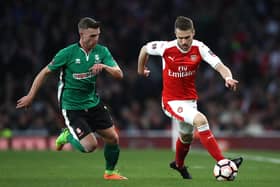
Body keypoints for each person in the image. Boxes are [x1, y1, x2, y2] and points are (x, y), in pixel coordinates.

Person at [16, 17, 127, 180]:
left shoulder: (102, 52)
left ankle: (110, 173)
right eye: (92, 36)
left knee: (113, 138)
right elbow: (44, 72)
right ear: (81, 34)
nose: (96, 39)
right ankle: (67, 135)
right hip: (72, 106)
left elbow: (119, 74)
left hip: (93, 102)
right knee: (90, 146)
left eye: (97, 35)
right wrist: (31, 95)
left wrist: (104, 67)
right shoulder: (67, 53)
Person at [137, 16, 243, 179]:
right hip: (171, 101)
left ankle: (179, 165)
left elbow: (220, 66)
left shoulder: (199, 48)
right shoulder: (165, 47)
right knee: (200, 120)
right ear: (175, 34)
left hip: (190, 101)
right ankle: (223, 162)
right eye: (180, 37)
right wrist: (141, 69)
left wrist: (227, 78)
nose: (184, 41)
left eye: (187, 37)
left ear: (193, 33)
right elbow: (144, 49)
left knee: (186, 137)